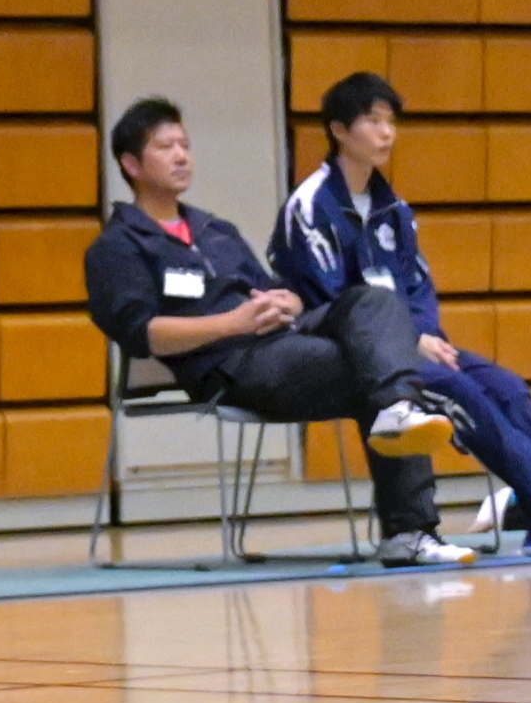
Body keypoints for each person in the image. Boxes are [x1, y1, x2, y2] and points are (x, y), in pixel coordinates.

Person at [84, 97, 470, 567]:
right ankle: (410, 529)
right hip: (229, 365)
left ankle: (398, 415)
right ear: (131, 164)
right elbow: (142, 334)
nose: (182, 156)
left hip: (283, 335)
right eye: (166, 148)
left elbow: (269, 287)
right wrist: (232, 323)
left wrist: (290, 301)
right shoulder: (117, 247)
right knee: (376, 366)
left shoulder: (215, 229)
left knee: (375, 302)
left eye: (185, 145)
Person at [268, 73, 531, 556]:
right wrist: (410, 341)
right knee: (455, 389)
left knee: (507, 388)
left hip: (414, 343)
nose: (386, 133)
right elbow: (330, 303)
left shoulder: (393, 209)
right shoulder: (309, 207)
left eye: (390, 122)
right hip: (352, 356)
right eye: (373, 121)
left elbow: (417, 286)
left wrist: (426, 334)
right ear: (339, 130)